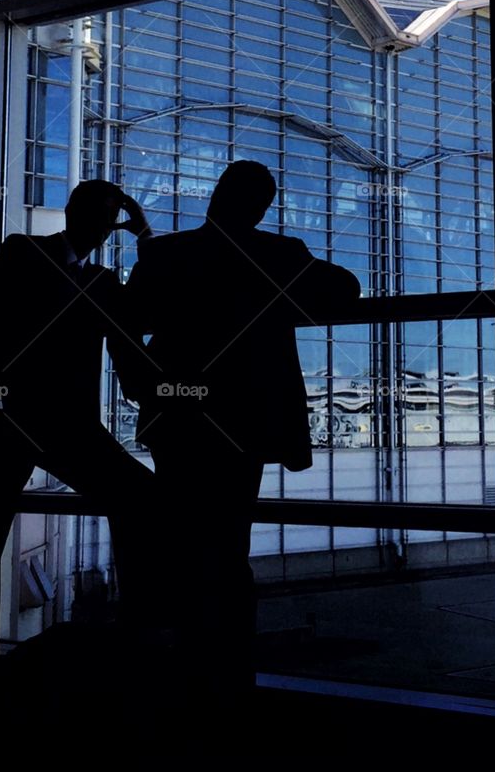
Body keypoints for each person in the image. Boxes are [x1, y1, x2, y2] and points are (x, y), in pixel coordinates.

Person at [125, 160, 361, 706]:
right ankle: (225, 669)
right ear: (261, 208)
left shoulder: (166, 255)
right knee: (228, 541)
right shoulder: (279, 256)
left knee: (185, 535)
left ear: (214, 198)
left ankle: (189, 665)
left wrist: (145, 387)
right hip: (242, 421)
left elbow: (124, 325)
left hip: (177, 417)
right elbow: (344, 289)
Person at [0, 180, 156, 666]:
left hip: (48, 424)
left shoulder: (96, 281)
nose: (105, 228)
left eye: (111, 218)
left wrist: (144, 234)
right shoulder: (28, 253)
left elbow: (137, 318)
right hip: (16, 423)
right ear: (74, 213)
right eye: (102, 216)